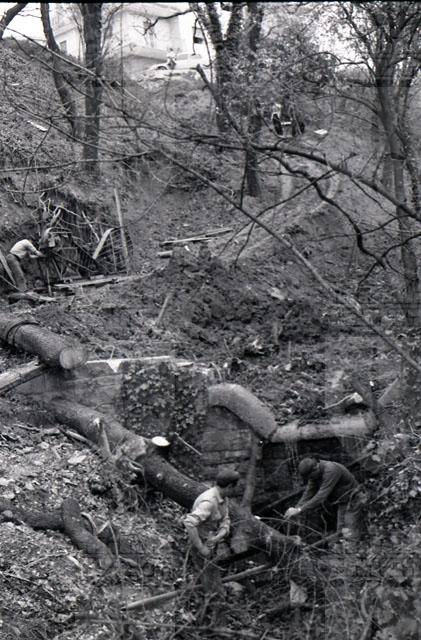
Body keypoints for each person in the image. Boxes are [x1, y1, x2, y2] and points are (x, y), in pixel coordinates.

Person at [183, 468, 240, 595]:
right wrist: (201, 548)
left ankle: (207, 599)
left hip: (211, 542)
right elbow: (189, 523)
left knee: (211, 578)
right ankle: (211, 601)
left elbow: (225, 519)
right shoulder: (209, 502)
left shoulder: (223, 498)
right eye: (234, 487)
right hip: (200, 544)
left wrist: (218, 537)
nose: (235, 491)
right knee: (210, 583)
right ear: (230, 486)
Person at [285, 457, 365, 542]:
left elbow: (321, 496)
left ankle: (354, 548)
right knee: (341, 531)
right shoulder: (315, 475)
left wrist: (300, 509)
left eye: (310, 476)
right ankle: (348, 547)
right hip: (344, 502)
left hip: (354, 499)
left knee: (350, 530)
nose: (310, 479)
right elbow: (309, 492)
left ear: (315, 468)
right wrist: (296, 508)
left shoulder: (331, 470)